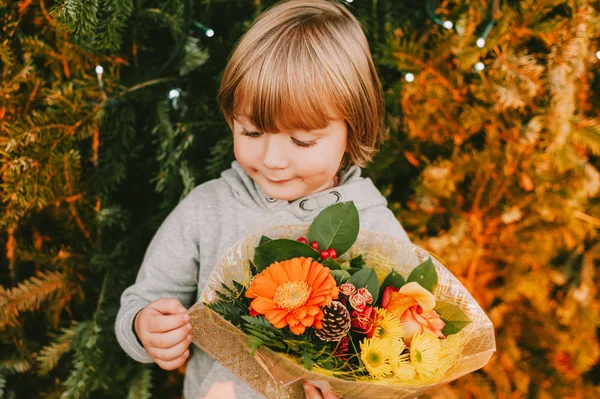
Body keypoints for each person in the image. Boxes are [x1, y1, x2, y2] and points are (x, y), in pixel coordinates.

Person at [115, 0, 416, 398]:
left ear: (353, 128)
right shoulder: (209, 210)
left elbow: (406, 351)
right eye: (252, 133)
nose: (273, 160)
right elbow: (144, 299)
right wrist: (145, 326)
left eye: (302, 140)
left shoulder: (376, 229)